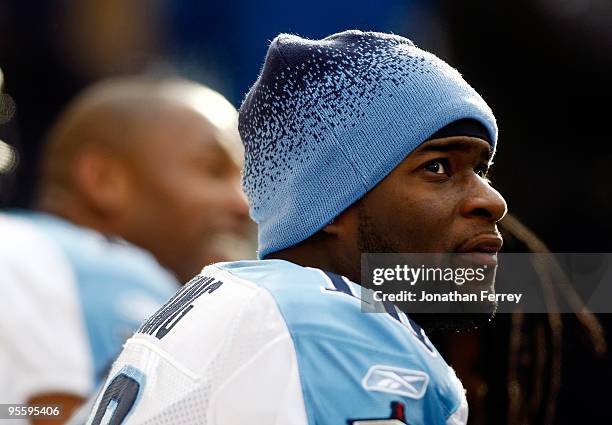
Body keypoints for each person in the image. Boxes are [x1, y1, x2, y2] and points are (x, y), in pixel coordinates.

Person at [85, 31, 506, 425]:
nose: (492, 200)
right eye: (437, 167)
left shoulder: (248, 302)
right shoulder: (331, 323)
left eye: (482, 170)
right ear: (330, 202)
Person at [0, 77, 250, 424]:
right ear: (103, 179)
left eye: (247, 177)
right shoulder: (102, 267)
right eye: (213, 171)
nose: (244, 203)